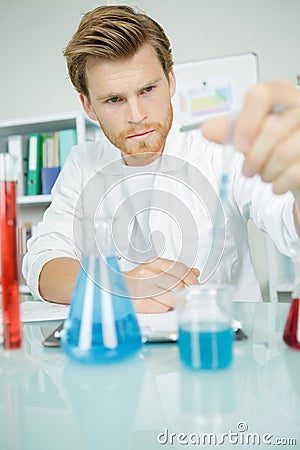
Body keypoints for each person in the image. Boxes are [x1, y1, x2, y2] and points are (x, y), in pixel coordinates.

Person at [23, 5, 300, 313]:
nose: (136, 115)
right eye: (114, 100)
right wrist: (119, 287)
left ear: (171, 81)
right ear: (88, 106)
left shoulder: (221, 154)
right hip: (123, 354)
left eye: (148, 90)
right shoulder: (83, 162)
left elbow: (289, 224)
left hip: (219, 349)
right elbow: (42, 262)